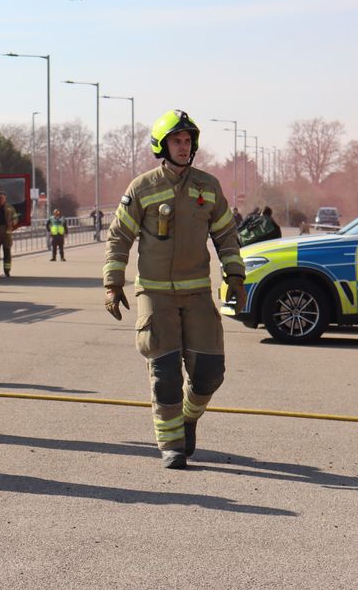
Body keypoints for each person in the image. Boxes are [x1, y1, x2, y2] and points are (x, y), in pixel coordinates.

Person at [103, 109, 246, 470]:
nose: (184, 147)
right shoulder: (142, 188)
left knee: (210, 372)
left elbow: (226, 234)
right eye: (176, 141)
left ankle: (188, 418)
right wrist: (113, 282)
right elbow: (119, 236)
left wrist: (236, 276)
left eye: (187, 141)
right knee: (165, 374)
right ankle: (171, 444)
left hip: (197, 292)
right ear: (162, 145)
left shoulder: (208, 186)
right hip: (155, 294)